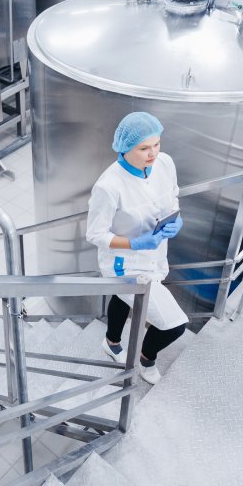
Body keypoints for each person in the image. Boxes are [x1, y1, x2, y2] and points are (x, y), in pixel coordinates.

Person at [85, 112, 187, 385]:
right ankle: (146, 359)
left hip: (155, 254)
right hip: (124, 263)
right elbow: (95, 233)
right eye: (144, 148)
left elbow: (172, 194)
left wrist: (176, 219)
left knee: (123, 298)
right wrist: (135, 243)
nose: (153, 153)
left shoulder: (165, 163)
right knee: (175, 324)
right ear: (125, 147)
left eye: (157, 144)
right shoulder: (109, 186)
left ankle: (112, 342)